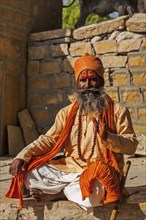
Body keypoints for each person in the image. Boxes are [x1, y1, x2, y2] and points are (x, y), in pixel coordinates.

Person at [6, 53, 138, 211]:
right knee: (29, 172)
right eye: (83, 80)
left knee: (95, 192)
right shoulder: (67, 113)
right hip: (69, 170)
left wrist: (107, 137)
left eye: (93, 79)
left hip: (97, 174)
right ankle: (68, 190)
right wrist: (23, 155)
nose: (88, 85)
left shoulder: (118, 111)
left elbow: (131, 145)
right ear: (78, 83)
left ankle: (59, 192)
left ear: (101, 82)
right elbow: (49, 140)